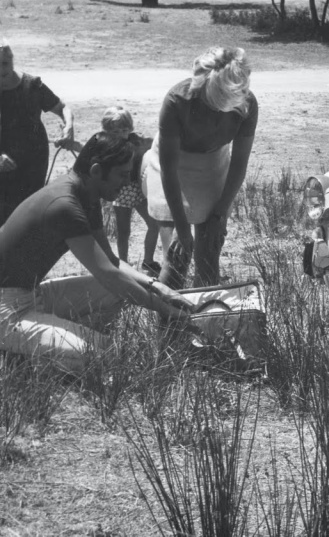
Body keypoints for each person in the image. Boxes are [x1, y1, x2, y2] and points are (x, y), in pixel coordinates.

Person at [0, 132, 195, 373]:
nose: (126, 182)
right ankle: (19, 353)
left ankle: (51, 338)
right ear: (95, 170)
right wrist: (167, 310)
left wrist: (156, 286)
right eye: (122, 175)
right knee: (99, 354)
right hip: (7, 310)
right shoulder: (65, 205)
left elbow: (112, 262)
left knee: (115, 300)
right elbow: (109, 276)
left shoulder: (85, 195)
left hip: (32, 294)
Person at [143, 46, 258, 289]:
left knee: (208, 260)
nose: (218, 111)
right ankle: (167, 324)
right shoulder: (177, 100)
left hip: (213, 165)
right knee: (175, 261)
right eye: (214, 103)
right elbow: (169, 170)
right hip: (174, 167)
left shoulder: (246, 103)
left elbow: (238, 164)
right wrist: (183, 228)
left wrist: (219, 214)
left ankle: (206, 321)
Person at [0, 38, 76, 226]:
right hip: (3, 162)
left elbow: (63, 108)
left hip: (33, 160)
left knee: (29, 211)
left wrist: (68, 127)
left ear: (11, 60)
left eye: (4, 63)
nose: (1, 69)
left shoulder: (32, 85)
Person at [100, 105, 160, 275]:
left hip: (138, 189)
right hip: (121, 191)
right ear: (108, 131)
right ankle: (123, 264)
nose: (120, 134)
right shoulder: (106, 145)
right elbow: (89, 151)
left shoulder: (136, 141)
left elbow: (153, 143)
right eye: (115, 131)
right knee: (123, 231)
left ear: (130, 129)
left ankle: (148, 261)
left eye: (124, 130)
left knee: (153, 224)